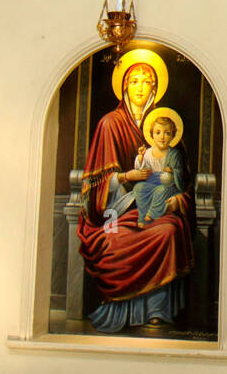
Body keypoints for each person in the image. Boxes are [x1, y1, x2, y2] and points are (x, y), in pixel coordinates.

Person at [77, 52, 193, 331]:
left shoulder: (164, 126)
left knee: (169, 230)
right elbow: (94, 190)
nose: (141, 87)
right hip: (114, 212)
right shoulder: (110, 124)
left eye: (147, 81)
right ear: (125, 86)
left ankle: (156, 310)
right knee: (113, 237)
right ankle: (122, 311)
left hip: (156, 210)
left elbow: (183, 181)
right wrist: (124, 176)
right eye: (135, 81)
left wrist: (179, 198)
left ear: (155, 88)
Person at [133, 110, 187, 227]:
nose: (162, 137)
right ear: (152, 135)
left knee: (160, 190)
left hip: (168, 186)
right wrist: (141, 156)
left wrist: (172, 172)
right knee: (139, 188)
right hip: (151, 183)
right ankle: (142, 218)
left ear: (172, 136)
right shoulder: (148, 152)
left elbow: (180, 173)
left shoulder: (174, 154)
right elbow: (140, 168)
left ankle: (152, 215)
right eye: (158, 132)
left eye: (167, 133)